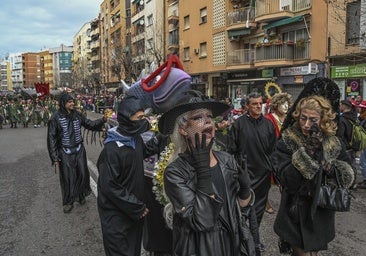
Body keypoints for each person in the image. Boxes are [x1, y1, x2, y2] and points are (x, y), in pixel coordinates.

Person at [157, 90, 254, 256]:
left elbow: (240, 211)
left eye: (209, 116)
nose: (208, 120)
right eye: (198, 117)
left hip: (233, 247)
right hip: (202, 249)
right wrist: (202, 169)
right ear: (183, 129)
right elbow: (202, 221)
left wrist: (245, 191)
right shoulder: (175, 172)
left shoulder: (227, 160)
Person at [271, 95, 354, 255]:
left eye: (313, 119)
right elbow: (287, 179)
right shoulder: (288, 140)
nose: (306, 124)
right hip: (294, 213)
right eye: (303, 118)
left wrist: (330, 168)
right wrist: (307, 153)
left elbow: (348, 176)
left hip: (320, 214)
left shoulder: (333, 142)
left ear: (323, 120)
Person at [97, 96, 166, 256]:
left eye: (144, 117)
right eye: (139, 118)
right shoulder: (112, 150)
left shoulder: (134, 139)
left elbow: (143, 152)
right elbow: (110, 187)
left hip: (133, 215)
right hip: (117, 220)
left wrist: (159, 137)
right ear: (127, 120)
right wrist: (136, 206)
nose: (144, 121)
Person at [228, 91, 277, 251]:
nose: (258, 106)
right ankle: (243, 238)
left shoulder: (269, 125)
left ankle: (255, 240)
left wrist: (271, 168)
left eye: (259, 103)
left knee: (259, 208)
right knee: (243, 210)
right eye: (254, 104)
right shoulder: (239, 124)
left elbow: (273, 150)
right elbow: (231, 149)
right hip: (244, 174)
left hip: (263, 174)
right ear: (247, 106)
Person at [47, 92, 107, 213]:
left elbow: (90, 124)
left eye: (73, 101)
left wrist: (103, 120)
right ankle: (68, 201)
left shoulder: (77, 115)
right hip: (65, 152)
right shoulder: (55, 118)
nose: (72, 103)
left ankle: (80, 196)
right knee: (68, 178)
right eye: (70, 102)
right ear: (63, 103)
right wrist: (54, 156)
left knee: (82, 174)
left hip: (79, 150)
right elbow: (51, 138)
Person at [264, 92, 293, 214]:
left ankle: (288, 205)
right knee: (267, 180)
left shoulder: (290, 119)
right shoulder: (268, 119)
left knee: (286, 180)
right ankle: (265, 202)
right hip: (271, 153)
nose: (285, 106)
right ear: (276, 105)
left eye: (287, 103)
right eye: (282, 104)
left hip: (286, 154)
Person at [336, 99, 358, 188]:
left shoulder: (342, 119)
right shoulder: (353, 117)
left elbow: (340, 135)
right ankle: (353, 183)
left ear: (344, 106)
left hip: (345, 147)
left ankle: (348, 183)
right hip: (352, 146)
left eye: (341, 105)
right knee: (352, 165)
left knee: (346, 167)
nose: (340, 107)